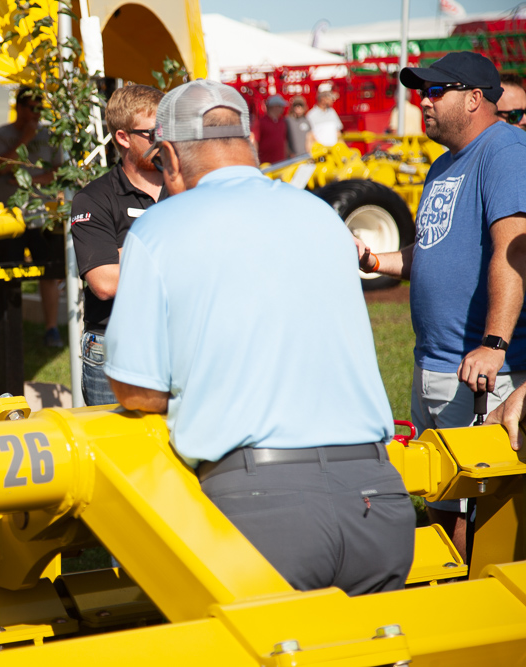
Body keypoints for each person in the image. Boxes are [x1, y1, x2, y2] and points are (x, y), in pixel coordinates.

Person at [104, 79, 414, 595]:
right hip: (379, 497)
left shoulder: (160, 227)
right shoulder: (320, 215)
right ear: (247, 143)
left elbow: (137, 391)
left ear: (171, 158)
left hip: (262, 504)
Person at [354, 52, 526, 560]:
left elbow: (513, 247)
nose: (422, 102)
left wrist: (494, 344)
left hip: (484, 371)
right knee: (441, 501)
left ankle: (480, 616)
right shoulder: (443, 164)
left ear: (474, 98)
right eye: (421, 92)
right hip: (433, 362)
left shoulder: (506, 150)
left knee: (485, 516)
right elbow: (433, 248)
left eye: (435, 91)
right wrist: (373, 259)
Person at [70, 84, 165, 406]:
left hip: (177, 338)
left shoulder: (185, 188)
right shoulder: (93, 198)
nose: (164, 140)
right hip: (114, 344)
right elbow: (105, 282)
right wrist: (176, 247)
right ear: (124, 138)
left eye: (170, 130)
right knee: (118, 453)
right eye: (154, 133)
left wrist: (125, 254)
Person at [0, 87, 65, 347]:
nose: (36, 114)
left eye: (39, 109)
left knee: (49, 272)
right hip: (8, 217)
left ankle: (51, 329)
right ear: (19, 107)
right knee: (9, 272)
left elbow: (59, 172)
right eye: (31, 108)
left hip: (42, 215)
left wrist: (28, 181)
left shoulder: (51, 136)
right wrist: (25, 138)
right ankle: (10, 327)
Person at [254, 95, 289, 165]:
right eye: (280, 106)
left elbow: (284, 141)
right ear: (274, 107)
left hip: (281, 163)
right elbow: (255, 141)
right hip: (266, 164)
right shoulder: (261, 122)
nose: (282, 109)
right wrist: (255, 159)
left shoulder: (282, 122)